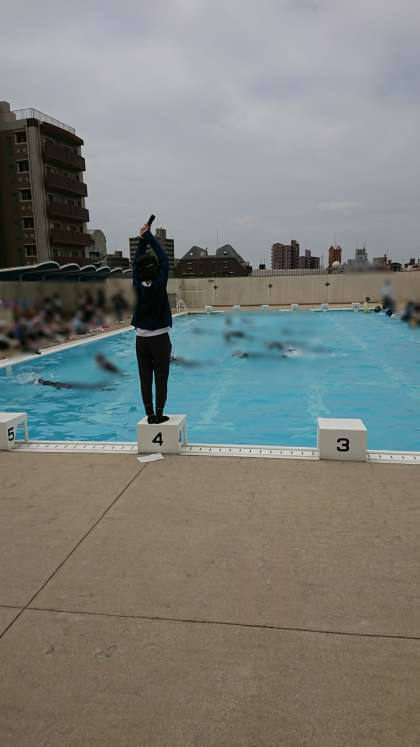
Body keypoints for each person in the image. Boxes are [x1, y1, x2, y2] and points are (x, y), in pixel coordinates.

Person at [132, 222, 172, 424]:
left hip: (141, 339)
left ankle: (149, 415)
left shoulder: (137, 285)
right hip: (160, 339)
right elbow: (164, 260)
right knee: (161, 377)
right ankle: (159, 413)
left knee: (145, 378)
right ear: (155, 269)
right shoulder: (160, 284)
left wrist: (142, 240)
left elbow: (135, 263)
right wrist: (149, 237)